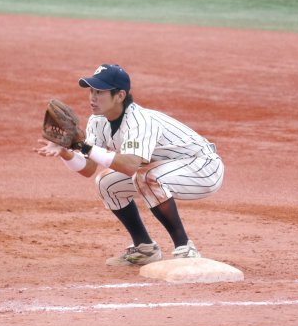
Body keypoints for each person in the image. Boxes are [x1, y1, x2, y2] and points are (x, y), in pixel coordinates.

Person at [35, 64, 224, 266]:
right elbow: (88, 169)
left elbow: (130, 166)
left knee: (147, 177)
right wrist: (66, 152)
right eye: (91, 90)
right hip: (166, 166)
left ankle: (185, 249)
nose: (92, 97)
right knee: (106, 183)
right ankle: (145, 248)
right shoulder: (97, 121)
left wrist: (83, 146)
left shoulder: (140, 120)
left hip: (203, 167)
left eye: (100, 91)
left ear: (120, 95)